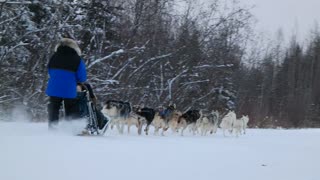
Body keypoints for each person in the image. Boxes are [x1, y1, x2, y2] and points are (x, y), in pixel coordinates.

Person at [46, 38, 87, 129]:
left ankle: (52, 128)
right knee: (71, 108)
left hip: (54, 87)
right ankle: (70, 129)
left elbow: (49, 71)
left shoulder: (54, 56)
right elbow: (82, 77)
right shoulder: (77, 59)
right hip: (69, 88)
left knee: (53, 108)